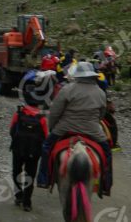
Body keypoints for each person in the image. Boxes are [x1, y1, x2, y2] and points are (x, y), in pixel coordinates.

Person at [36, 62, 112, 196]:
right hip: (93, 130)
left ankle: (44, 179)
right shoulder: (100, 92)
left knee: (46, 147)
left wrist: (53, 128)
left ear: (78, 76)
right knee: (107, 153)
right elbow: (101, 114)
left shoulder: (67, 89)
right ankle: (106, 184)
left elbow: (55, 112)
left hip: (65, 128)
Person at [9, 86, 48, 212]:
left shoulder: (19, 114)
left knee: (16, 171)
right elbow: (46, 136)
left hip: (18, 149)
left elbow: (11, 131)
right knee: (30, 174)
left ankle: (18, 195)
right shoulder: (41, 118)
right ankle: (27, 203)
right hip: (34, 152)